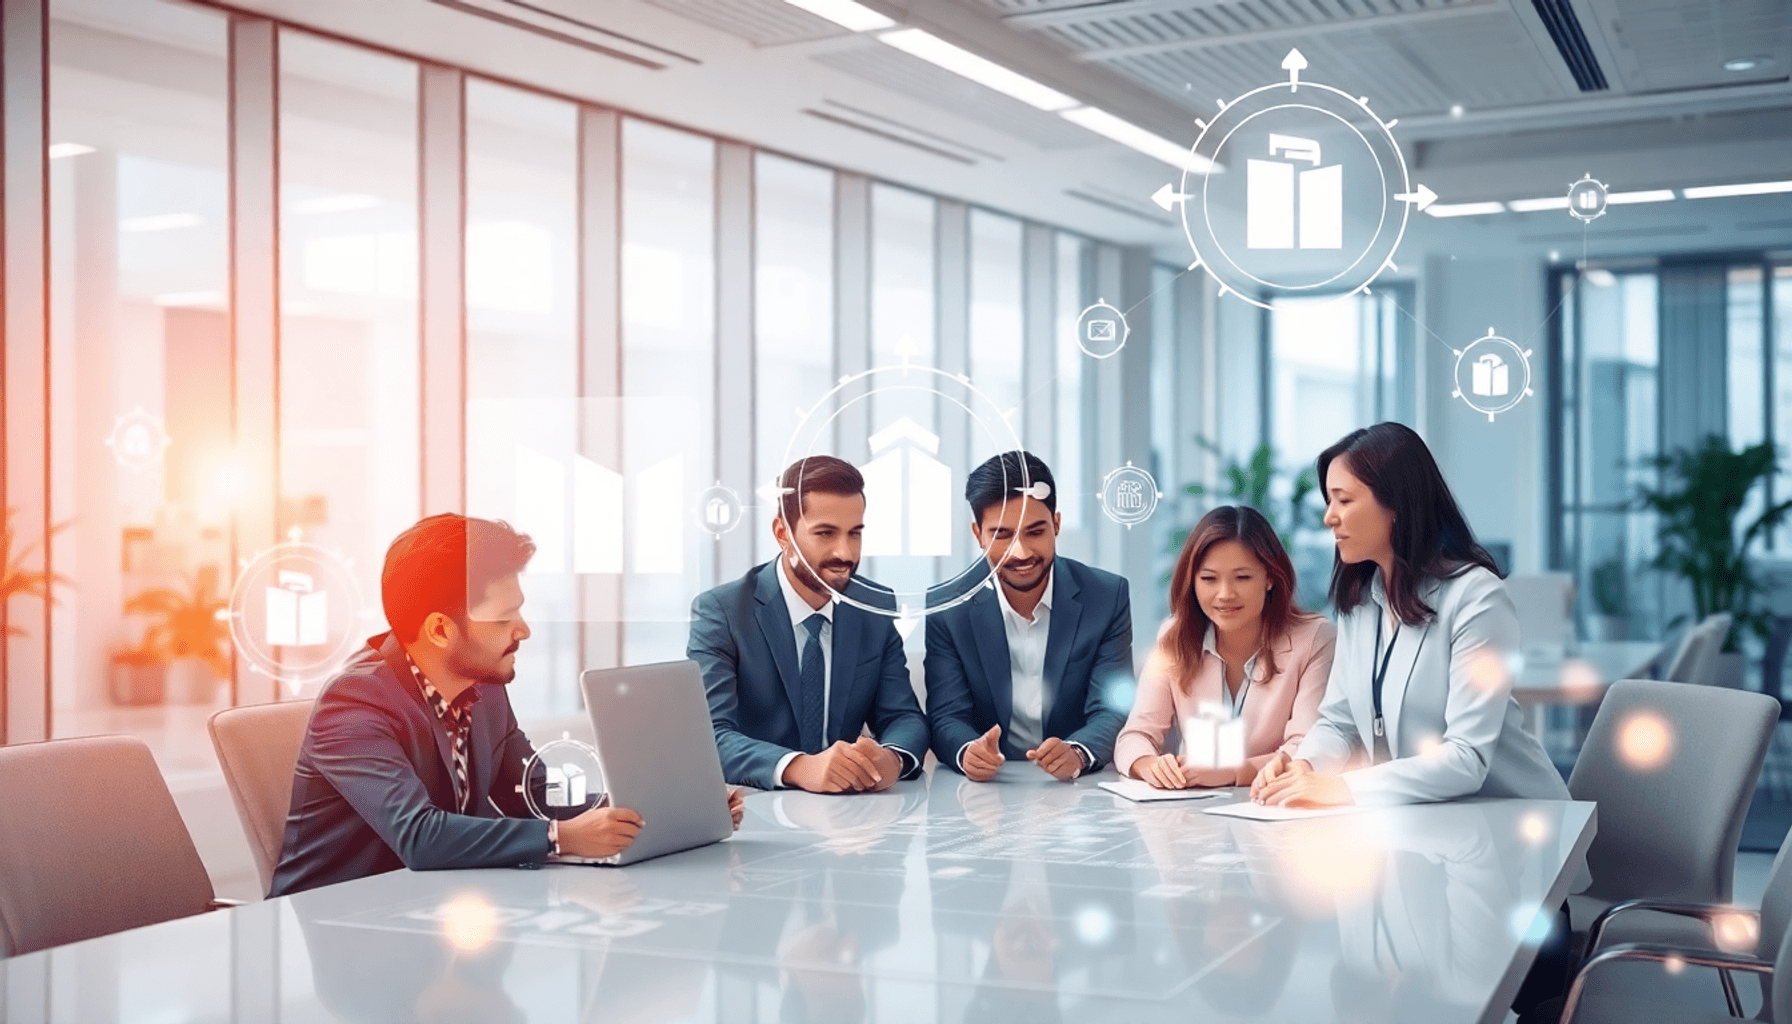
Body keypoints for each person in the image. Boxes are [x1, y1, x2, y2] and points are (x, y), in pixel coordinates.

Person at [1247, 422, 1573, 1017]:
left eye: (1343, 501)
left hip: (1508, 862)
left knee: (1463, 1000)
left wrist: (1338, 787)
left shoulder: (1477, 599)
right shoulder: (1361, 595)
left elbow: (1468, 760)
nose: (1328, 518)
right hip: (1422, 845)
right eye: (1328, 502)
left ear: (1396, 505)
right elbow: (1340, 719)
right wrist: (1299, 767)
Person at [268, 514, 745, 898]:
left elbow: (532, 793)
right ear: (439, 630)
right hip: (336, 930)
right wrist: (561, 838)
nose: (523, 630)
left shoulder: (483, 685)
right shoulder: (353, 705)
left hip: (432, 911)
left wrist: (660, 807)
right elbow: (419, 835)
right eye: (502, 617)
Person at [688, 456, 929, 792]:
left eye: (854, 534)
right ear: (782, 533)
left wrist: (892, 759)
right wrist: (800, 767)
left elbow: (904, 716)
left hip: (853, 817)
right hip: (759, 811)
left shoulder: (873, 606)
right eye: (825, 534)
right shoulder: (723, 612)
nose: (844, 553)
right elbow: (711, 736)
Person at [925, 451, 1132, 781]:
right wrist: (968, 751)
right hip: (986, 791)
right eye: (1001, 535)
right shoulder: (947, 607)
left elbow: (1111, 707)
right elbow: (946, 715)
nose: (1020, 553)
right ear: (978, 534)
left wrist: (1078, 751)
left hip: (1076, 789)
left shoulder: (1105, 597)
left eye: (1035, 532)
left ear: (1057, 525)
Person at [1115, 505, 1335, 788]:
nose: (1225, 594)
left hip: (1279, 811)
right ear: (1192, 582)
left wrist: (1234, 772)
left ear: (1269, 578)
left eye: (1242, 577)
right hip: (1192, 815)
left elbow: (1308, 747)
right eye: (1208, 579)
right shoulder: (1175, 635)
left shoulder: (1315, 638)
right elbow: (1136, 734)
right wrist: (1149, 765)